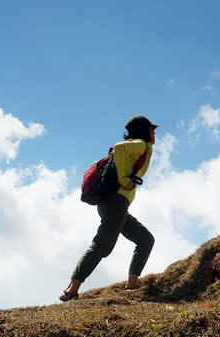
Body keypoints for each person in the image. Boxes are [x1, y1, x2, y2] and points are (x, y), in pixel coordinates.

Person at [59, 115, 158, 302]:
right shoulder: (139, 144)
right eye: (151, 129)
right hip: (116, 203)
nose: (154, 133)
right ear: (143, 130)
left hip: (112, 205)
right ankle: (71, 290)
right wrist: (124, 180)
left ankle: (131, 286)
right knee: (102, 246)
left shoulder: (136, 147)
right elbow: (119, 148)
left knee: (145, 239)